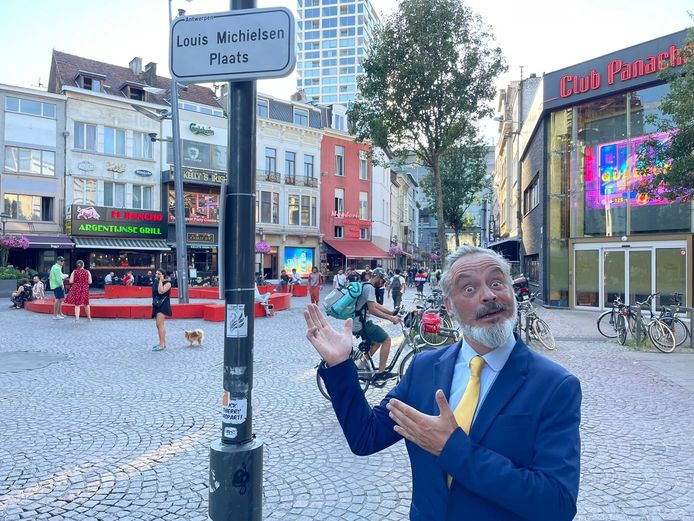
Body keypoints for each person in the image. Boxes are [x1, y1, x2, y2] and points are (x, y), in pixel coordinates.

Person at [304, 245, 581, 520]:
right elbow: (365, 437)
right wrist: (340, 366)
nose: (488, 295)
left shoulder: (555, 386)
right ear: (449, 306)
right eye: (469, 289)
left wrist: (453, 448)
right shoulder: (424, 368)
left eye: (497, 283)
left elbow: (557, 504)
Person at [349, 267, 400, 380]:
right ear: (378, 278)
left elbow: (375, 305)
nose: (382, 283)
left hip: (358, 322)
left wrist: (391, 312)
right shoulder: (370, 288)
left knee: (376, 342)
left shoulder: (366, 285)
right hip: (362, 323)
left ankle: (360, 367)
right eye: (382, 280)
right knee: (386, 340)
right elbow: (372, 309)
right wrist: (390, 319)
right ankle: (381, 373)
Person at [152, 269, 172, 351]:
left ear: (163, 275)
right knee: (158, 325)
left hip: (163, 305)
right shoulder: (156, 282)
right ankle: (162, 343)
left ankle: (162, 344)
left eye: (159, 274)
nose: (156, 275)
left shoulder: (168, 283)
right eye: (156, 273)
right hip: (157, 304)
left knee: (160, 325)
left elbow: (161, 291)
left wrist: (161, 281)